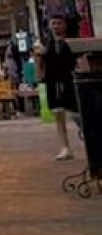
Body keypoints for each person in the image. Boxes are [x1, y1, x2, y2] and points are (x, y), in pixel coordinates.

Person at [43, 13, 78, 161]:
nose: (56, 26)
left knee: (77, 114)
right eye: (53, 23)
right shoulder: (47, 44)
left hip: (70, 81)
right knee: (58, 116)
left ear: (65, 25)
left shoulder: (72, 42)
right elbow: (42, 69)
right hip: (53, 83)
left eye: (59, 23)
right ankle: (65, 147)